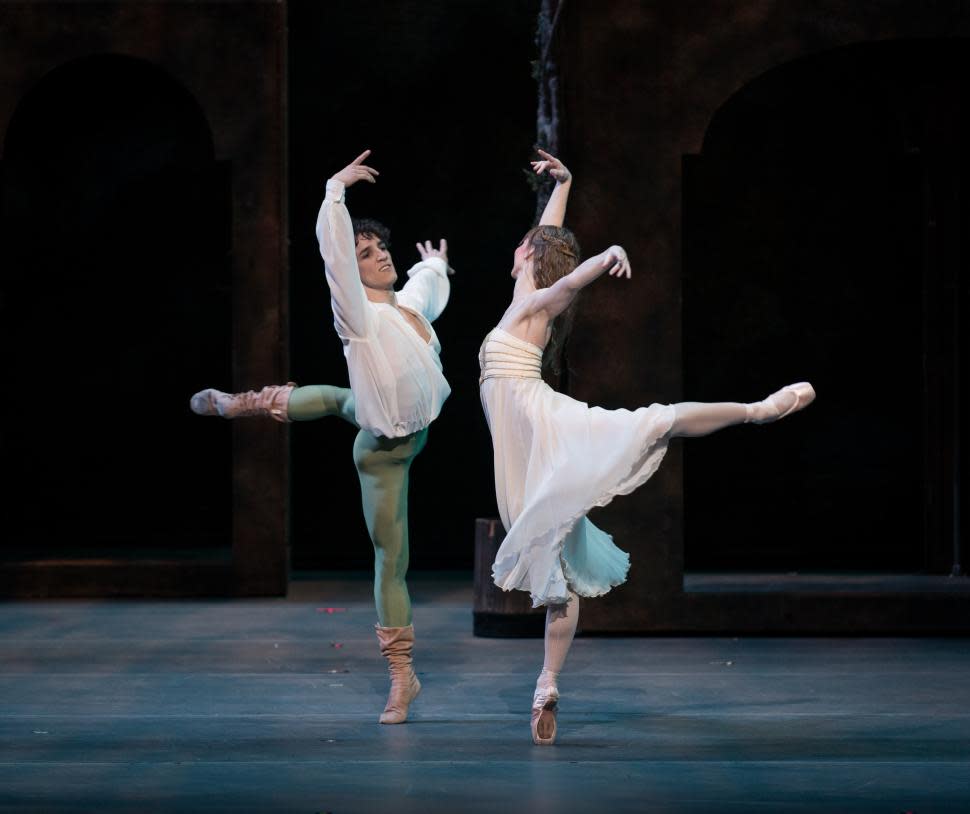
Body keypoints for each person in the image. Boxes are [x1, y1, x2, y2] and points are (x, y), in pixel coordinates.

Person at [478, 149, 815, 745]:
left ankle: (757, 410)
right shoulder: (523, 298)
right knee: (556, 571)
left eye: (525, 244)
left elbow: (565, 279)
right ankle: (546, 685)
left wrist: (606, 255)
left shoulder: (533, 304)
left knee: (652, 422)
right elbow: (548, 245)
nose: (519, 245)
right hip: (527, 446)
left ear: (527, 257)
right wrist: (565, 182)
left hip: (540, 432)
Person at [191, 150, 453, 724]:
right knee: (392, 559)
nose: (379, 255)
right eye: (366, 253)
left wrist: (434, 264)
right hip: (383, 451)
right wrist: (335, 190)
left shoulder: (409, 307)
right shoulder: (355, 318)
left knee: (341, 400)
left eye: (381, 247)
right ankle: (401, 676)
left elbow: (429, 288)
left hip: (406, 424)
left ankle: (250, 400)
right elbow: (335, 257)